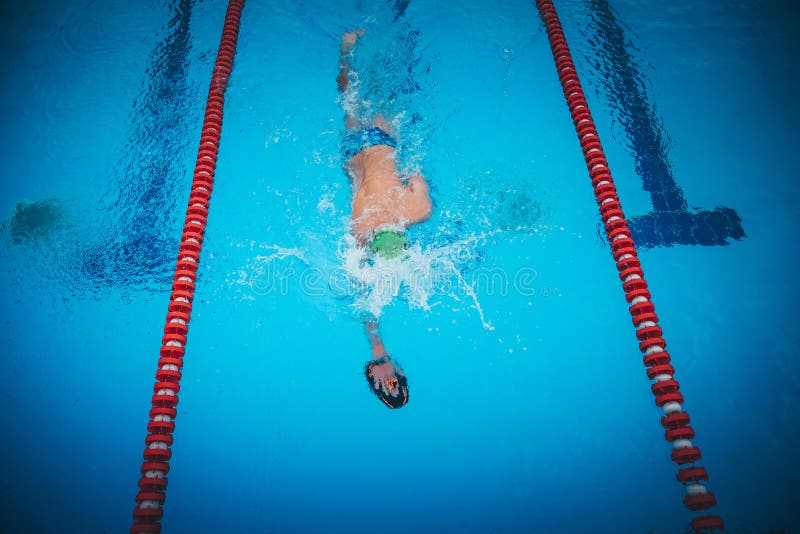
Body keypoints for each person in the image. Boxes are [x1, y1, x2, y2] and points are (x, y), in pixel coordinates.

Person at [337, 29, 432, 408]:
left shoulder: (416, 211)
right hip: (354, 152)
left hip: (377, 142)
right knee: (352, 95)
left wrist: (379, 349)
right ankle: (347, 52)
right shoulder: (363, 227)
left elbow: (415, 169)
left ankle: (353, 49)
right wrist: (378, 351)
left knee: (372, 89)